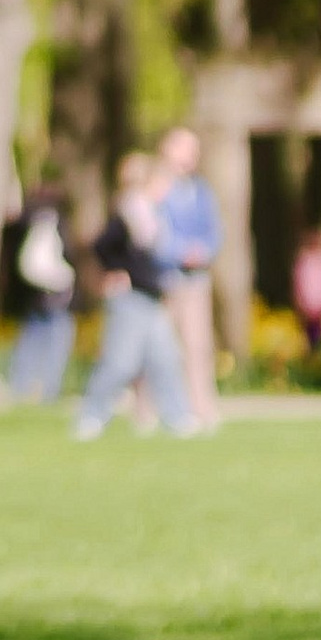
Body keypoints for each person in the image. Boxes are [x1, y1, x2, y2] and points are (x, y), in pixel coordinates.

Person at [74, 150, 195, 440]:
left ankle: (178, 417)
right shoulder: (130, 214)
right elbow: (102, 246)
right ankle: (91, 416)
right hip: (130, 299)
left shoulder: (153, 216)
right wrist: (116, 271)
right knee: (120, 362)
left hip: (151, 299)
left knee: (166, 358)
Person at [153, 123, 223, 430]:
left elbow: (214, 231)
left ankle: (202, 406)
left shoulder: (201, 191)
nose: (190, 157)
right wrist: (179, 250)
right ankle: (153, 409)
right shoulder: (156, 188)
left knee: (197, 345)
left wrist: (202, 251)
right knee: (158, 346)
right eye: (184, 149)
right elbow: (151, 232)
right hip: (163, 279)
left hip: (195, 280)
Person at [5, 184, 78, 401]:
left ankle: (21, 388)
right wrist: (63, 280)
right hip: (52, 296)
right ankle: (45, 392)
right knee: (56, 342)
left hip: (38, 297)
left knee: (31, 341)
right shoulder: (48, 220)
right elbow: (37, 263)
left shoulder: (32, 219)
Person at [291, 221, 321, 359]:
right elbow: (300, 283)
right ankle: (310, 356)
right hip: (308, 304)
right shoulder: (304, 260)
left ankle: (319, 356)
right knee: (308, 334)